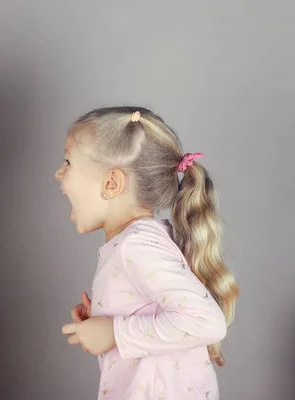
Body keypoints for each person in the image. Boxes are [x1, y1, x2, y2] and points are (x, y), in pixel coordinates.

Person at [57, 107, 239, 399]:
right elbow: (157, 311)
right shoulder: (142, 240)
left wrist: (114, 332)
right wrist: (110, 315)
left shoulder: (136, 246)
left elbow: (207, 322)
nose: (58, 173)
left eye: (67, 162)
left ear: (111, 183)